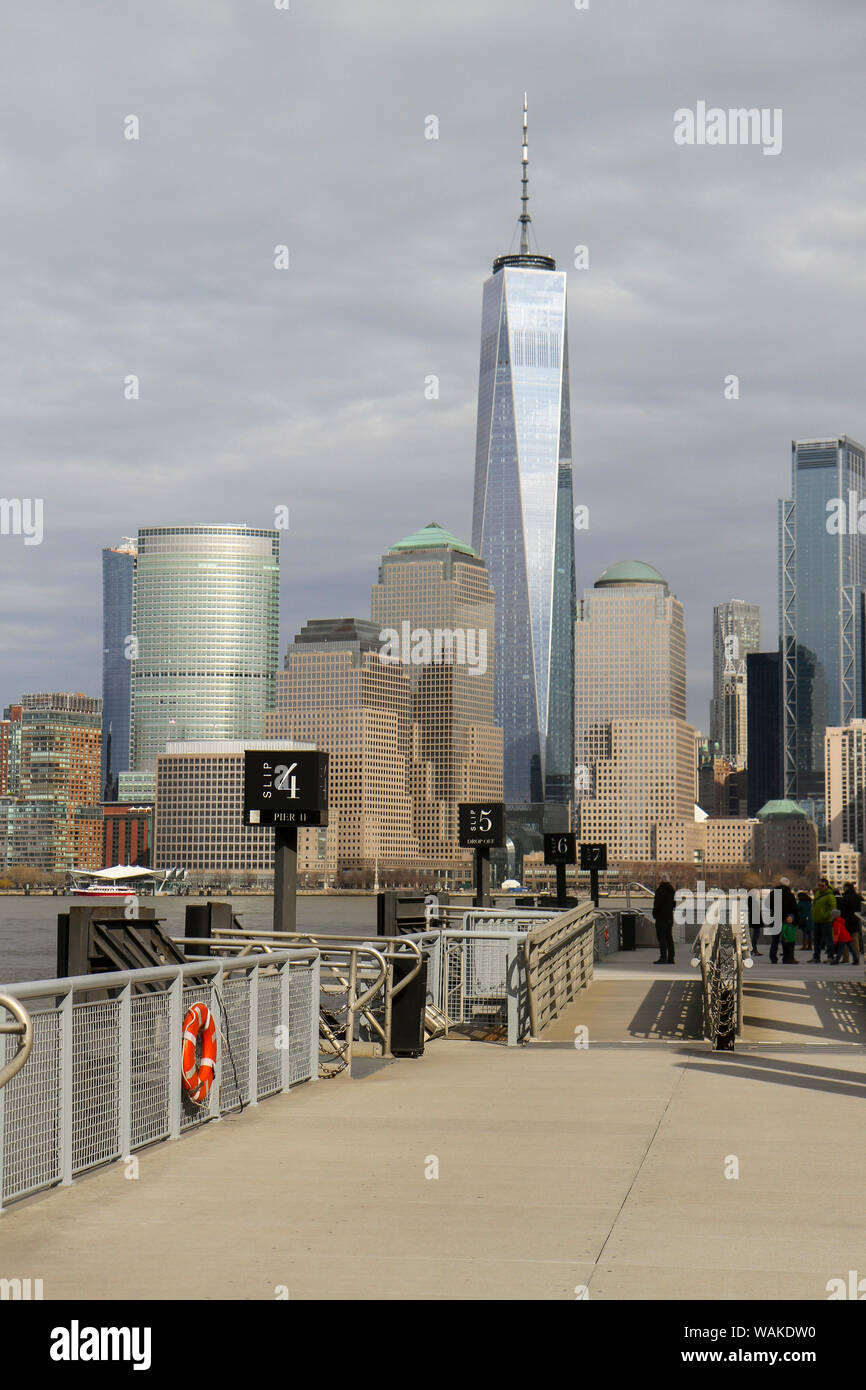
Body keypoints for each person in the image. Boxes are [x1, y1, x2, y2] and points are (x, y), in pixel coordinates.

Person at [770, 878, 798, 964]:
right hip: (786, 920)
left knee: (775, 940)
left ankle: (773, 958)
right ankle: (787, 958)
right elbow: (794, 908)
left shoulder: (773, 893)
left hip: (775, 918)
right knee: (786, 940)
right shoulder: (790, 895)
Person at [810, 877, 837, 963]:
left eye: (822, 886)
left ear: (826, 886)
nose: (820, 887)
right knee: (816, 940)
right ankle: (816, 957)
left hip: (826, 921)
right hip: (817, 920)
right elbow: (814, 904)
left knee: (828, 940)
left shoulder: (830, 896)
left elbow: (833, 908)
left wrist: (826, 916)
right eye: (819, 885)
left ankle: (830, 956)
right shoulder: (817, 893)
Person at [652, 879, 676, 964]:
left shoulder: (660, 891)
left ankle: (663, 957)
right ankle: (671, 957)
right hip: (669, 917)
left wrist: (654, 914)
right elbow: (674, 904)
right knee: (669, 938)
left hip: (661, 918)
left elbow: (657, 904)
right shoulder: (671, 890)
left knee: (662, 938)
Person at [839, 882, 862, 965]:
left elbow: (842, 909)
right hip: (855, 920)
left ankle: (846, 957)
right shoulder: (858, 897)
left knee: (844, 940)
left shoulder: (845, 897)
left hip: (846, 920)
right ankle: (857, 957)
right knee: (855, 940)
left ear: (846, 888)